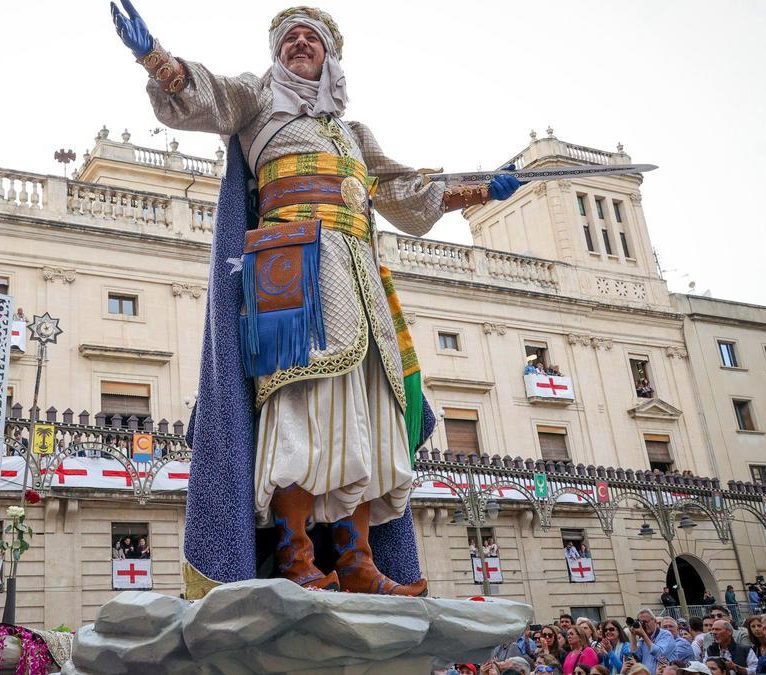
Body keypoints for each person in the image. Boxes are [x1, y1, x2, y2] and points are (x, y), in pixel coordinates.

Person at [111, 2, 525, 598]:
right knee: (298, 414)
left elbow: (409, 195)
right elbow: (204, 96)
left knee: (365, 417)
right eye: (289, 38)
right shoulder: (256, 100)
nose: (299, 44)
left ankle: (358, 564)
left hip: (358, 276)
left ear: (330, 56)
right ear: (276, 52)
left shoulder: (354, 135)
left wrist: (486, 187)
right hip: (289, 272)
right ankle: (293, 556)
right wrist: (154, 57)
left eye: (312, 38)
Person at [630, 609, 676, 674]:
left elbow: (660, 655)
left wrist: (643, 635)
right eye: (641, 622)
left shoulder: (665, 634)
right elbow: (635, 656)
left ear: (655, 621)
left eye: (646, 622)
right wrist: (633, 635)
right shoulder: (642, 639)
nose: (644, 625)